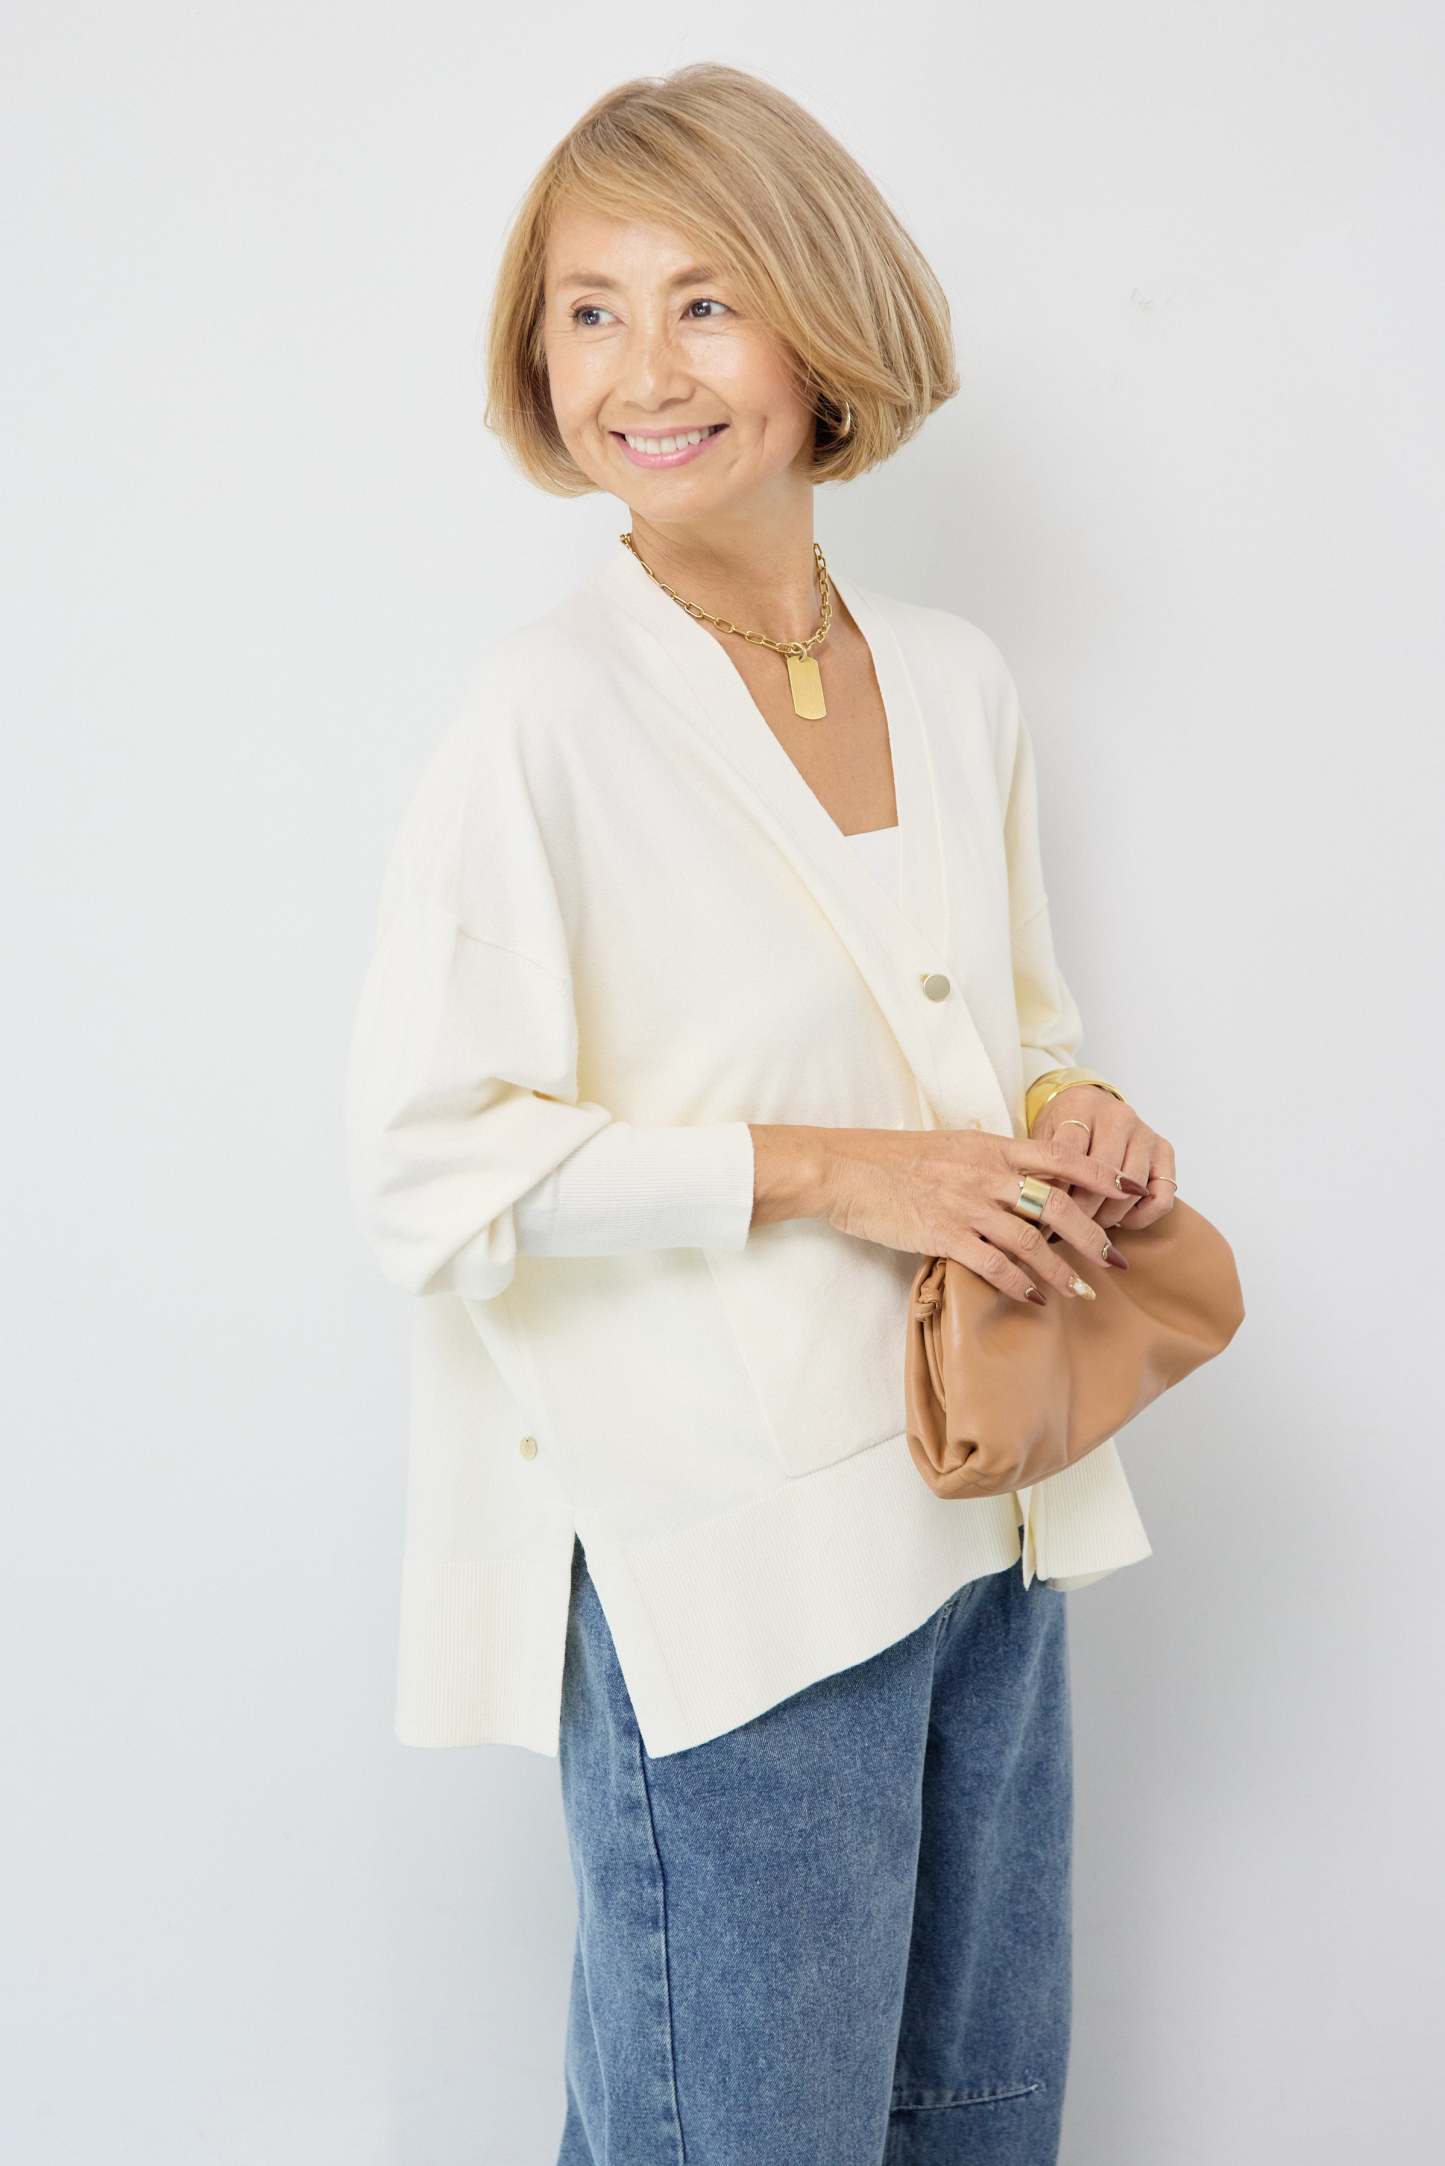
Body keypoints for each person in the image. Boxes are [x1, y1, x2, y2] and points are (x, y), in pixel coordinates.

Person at [343, 59, 1177, 2166]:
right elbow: (427, 1161)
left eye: (704, 301)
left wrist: (1080, 1113)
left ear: (824, 329)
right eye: (588, 310)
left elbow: (1018, 1029)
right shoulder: (541, 713)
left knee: (972, 2124)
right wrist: (830, 1173)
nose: (641, 369)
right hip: (725, 1565)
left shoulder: (957, 678)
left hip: (986, 1508)